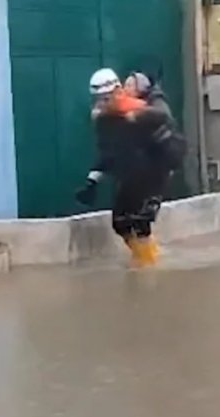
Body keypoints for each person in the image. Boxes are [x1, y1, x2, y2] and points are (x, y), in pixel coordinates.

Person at [76, 68, 177, 268]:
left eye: (107, 98)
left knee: (141, 222)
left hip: (155, 172)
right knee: (120, 222)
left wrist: (137, 117)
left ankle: (149, 270)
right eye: (99, 99)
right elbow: (108, 152)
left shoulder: (146, 106)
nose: (102, 104)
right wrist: (92, 181)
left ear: (117, 92)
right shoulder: (105, 119)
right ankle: (145, 259)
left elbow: (163, 119)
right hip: (131, 176)